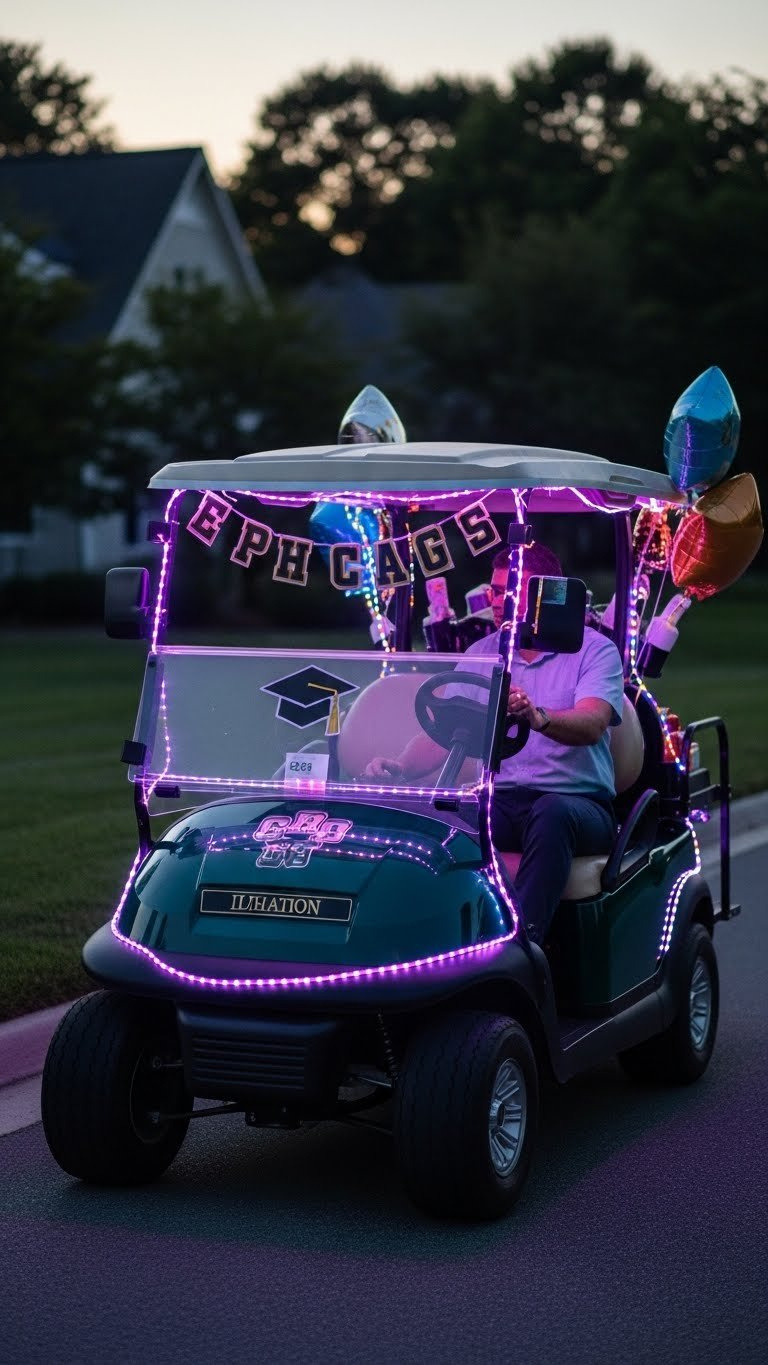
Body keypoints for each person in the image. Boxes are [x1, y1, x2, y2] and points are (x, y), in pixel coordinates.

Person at [365, 543, 625, 943]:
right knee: (438, 815)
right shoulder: (482, 653)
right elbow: (444, 735)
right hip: (501, 800)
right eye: (494, 591)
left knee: (552, 814)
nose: (497, 602)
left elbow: (592, 723)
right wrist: (400, 766)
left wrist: (538, 718)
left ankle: (521, 945)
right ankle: (424, 939)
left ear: (542, 594)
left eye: (510, 591)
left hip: (578, 805)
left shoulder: (594, 650)